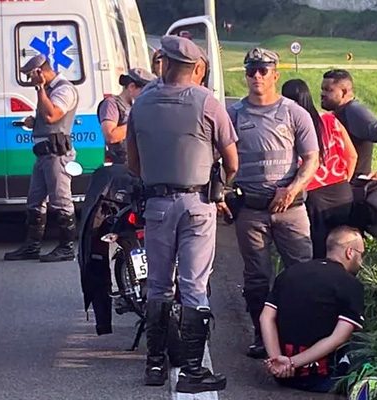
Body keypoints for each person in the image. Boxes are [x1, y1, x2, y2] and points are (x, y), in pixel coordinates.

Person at [128, 35, 238, 393]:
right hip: (196, 204)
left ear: (164, 63)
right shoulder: (207, 102)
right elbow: (232, 160)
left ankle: (155, 364)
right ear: (196, 69)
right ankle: (192, 369)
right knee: (193, 286)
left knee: (158, 285)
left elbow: (133, 163)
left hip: (156, 205)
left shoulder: (140, 103)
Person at [227, 48, 320, 359]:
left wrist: (292, 189)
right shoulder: (234, 114)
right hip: (251, 210)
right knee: (256, 277)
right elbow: (219, 157)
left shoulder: (295, 113)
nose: (257, 76)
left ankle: (304, 333)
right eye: (252, 70)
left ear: (275, 74)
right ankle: (261, 334)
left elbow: (311, 159)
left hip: (291, 210)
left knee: (302, 272)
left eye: (263, 70)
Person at [260, 226, 365, 393]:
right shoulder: (351, 285)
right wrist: (292, 362)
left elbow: (266, 317)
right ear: (350, 252)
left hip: (282, 373)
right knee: (366, 346)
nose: (361, 262)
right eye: (361, 255)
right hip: (321, 378)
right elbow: (340, 337)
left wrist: (277, 360)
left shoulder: (290, 273)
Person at [4, 55, 79, 263]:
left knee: (61, 200)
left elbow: (53, 116)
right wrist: (34, 121)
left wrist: (39, 89)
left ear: (40, 72)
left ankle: (66, 247)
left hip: (56, 154)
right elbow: (46, 118)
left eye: (30, 76)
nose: (30, 81)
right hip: (43, 154)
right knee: (35, 201)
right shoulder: (50, 91)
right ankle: (32, 246)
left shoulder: (63, 89)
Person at [282, 79, 358, 258]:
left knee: (318, 251)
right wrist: (343, 180)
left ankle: (319, 283)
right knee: (341, 248)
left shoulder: (292, 125)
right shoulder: (330, 119)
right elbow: (352, 155)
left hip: (314, 195)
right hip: (342, 192)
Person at [320, 69, 377, 181]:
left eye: (328, 90)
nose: (322, 94)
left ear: (344, 92)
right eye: (322, 89)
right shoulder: (340, 111)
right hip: (340, 181)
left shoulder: (354, 111)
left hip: (355, 183)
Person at [98, 68, 155, 165]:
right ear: (132, 87)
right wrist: (140, 122)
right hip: (121, 163)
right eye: (145, 91)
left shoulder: (136, 106)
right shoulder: (112, 104)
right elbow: (110, 136)